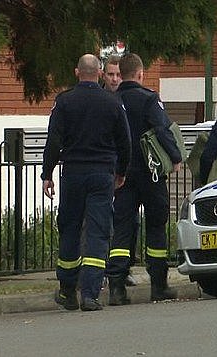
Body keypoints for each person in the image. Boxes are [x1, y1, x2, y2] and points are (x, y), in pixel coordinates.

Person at [41, 54, 131, 311]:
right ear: (101, 73)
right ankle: (90, 295)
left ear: (76, 72)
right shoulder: (112, 103)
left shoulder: (64, 102)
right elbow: (125, 142)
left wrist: (47, 174)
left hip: (73, 173)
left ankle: (68, 290)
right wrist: (121, 171)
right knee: (98, 232)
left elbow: (54, 140)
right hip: (102, 174)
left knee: (69, 227)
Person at [106, 53, 182, 305]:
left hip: (122, 175)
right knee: (156, 226)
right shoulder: (149, 99)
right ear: (140, 74)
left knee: (122, 228)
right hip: (150, 174)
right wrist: (176, 157)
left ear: (121, 73)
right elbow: (162, 129)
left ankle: (117, 286)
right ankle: (158, 285)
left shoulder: (112, 100)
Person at [101, 53, 138, 287]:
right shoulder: (101, 100)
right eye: (111, 74)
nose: (115, 79)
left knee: (128, 222)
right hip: (105, 171)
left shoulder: (128, 99)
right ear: (103, 75)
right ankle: (104, 268)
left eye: (118, 75)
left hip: (124, 173)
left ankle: (123, 270)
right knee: (103, 221)